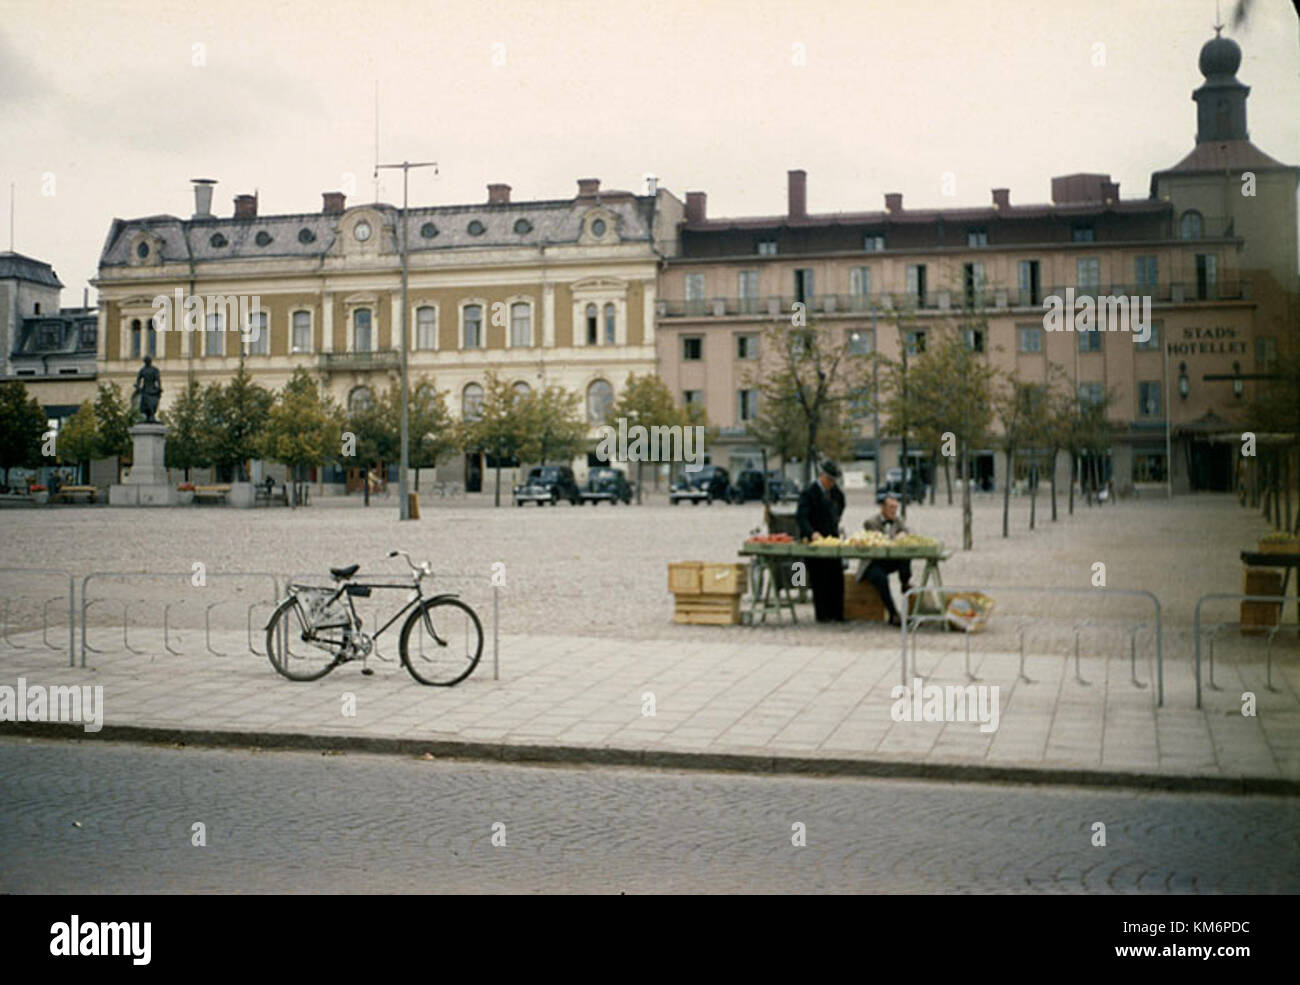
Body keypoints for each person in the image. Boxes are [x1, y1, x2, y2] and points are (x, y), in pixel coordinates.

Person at [796, 460, 846, 622]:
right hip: (815, 541)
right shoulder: (809, 493)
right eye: (829, 480)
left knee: (836, 577)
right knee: (819, 578)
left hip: (832, 539)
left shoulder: (836, 493)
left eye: (833, 480)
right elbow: (801, 517)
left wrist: (836, 520)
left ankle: (837, 614)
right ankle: (823, 615)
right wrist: (811, 533)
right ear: (821, 476)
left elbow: (841, 505)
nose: (831, 483)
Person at [856, 494, 913, 626]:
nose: (894, 511)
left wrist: (903, 534)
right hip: (874, 561)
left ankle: (905, 582)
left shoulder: (898, 520)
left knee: (906, 555)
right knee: (880, 578)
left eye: (895, 507)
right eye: (891, 507)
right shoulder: (871, 522)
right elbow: (878, 541)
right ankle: (893, 613)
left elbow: (907, 533)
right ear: (883, 508)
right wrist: (894, 539)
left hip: (889, 559)